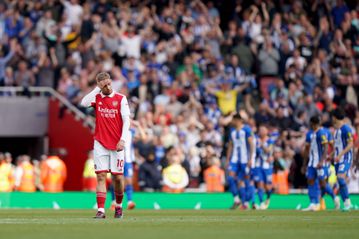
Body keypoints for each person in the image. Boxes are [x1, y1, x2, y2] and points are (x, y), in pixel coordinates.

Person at [80, 72, 130, 219]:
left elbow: (127, 120)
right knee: (101, 176)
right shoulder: (97, 97)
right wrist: (97, 89)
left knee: (118, 178)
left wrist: (123, 140)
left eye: (109, 84)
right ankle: (101, 210)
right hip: (100, 142)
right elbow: (83, 103)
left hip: (116, 143)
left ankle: (119, 206)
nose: (108, 87)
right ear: (100, 85)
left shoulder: (121, 98)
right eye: (104, 85)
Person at [225, 113, 255, 210]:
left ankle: (246, 203)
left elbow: (251, 144)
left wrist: (251, 159)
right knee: (230, 178)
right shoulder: (232, 131)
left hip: (245, 160)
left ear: (237, 120)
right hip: (234, 159)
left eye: (233, 120)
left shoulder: (246, 129)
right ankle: (236, 199)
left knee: (245, 181)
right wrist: (228, 159)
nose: (232, 122)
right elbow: (230, 145)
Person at [302, 116, 329, 211]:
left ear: (312, 123)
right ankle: (313, 203)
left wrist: (322, 161)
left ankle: (333, 198)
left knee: (322, 183)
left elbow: (326, 147)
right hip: (311, 162)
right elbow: (307, 149)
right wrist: (304, 164)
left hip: (319, 162)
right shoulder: (310, 133)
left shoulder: (321, 132)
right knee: (310, 180)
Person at [332, 109, 354, 211]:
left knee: (341, 178)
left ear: (335, 118)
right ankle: (347, 203)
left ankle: (348, 203)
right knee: (340, 182)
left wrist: (340, 155)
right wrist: (331, 155)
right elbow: (337, 147)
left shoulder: (346, 129)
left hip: (345, 158)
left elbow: (351, 144)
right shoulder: (336, 131)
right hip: (337, 159)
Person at [319, 128, 340, 210]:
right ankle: (320, 200)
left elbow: (335, 149)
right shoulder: (325, 134)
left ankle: (334, 197)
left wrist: (328, 156)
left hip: (323, 162)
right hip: (319, 161)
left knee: (322, 182)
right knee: (323, 183)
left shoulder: (325, 135)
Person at [256, 126, 275, 210]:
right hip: (258, 165)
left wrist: (262, 144)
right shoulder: (256, 140)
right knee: (260, 183)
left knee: (267, 186)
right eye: (260, 130)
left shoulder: (270, 141)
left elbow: (268, 150)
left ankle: (268, 198)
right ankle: (261, 202)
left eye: (263, 130)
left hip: (267, 166)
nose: (261, 131)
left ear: (267, 131)